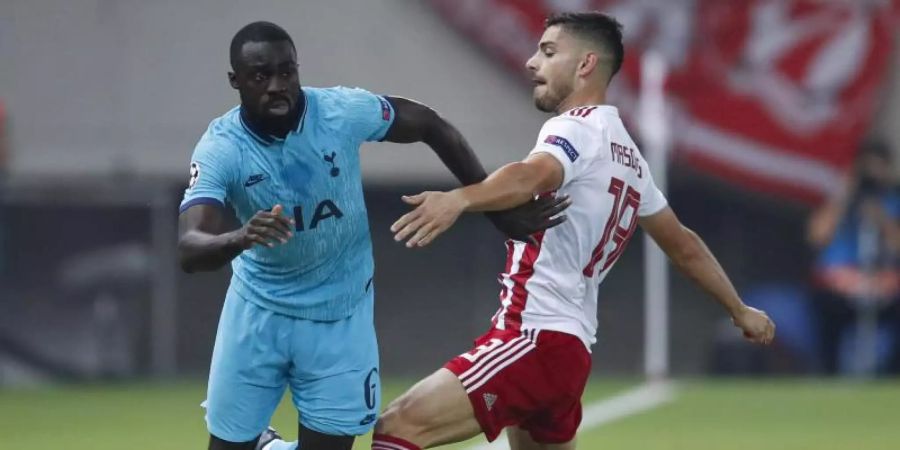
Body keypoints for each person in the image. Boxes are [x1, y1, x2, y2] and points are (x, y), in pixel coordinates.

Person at [371, 12, 776, 450]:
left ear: (585, 65)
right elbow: (683, 244)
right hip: (570, 351)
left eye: (547, 51)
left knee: (397, 427)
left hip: (532, 335)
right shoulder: (629, 156)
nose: (531, 62)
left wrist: (460, 198)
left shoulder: (576, 128)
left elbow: (532, 175)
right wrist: (738, 309)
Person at [177, 21, 565, 450]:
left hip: (340, 317)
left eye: (286, 72)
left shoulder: (339, 112)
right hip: (257, 314)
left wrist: (493, 207)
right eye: (259, 76)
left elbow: (429, 124)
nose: (276, 85)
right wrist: (242, 237)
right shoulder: (222, 148)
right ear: (236, 81)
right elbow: (190, 248)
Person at [807, 139, 900, 375]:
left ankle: (889, 375)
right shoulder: (842, 201)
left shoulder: (892, 202)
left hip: (882, 283)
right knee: (824, 307)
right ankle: (827, 373)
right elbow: (817, 236)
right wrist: (845, 193)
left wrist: (880, 218)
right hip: (839, 285)